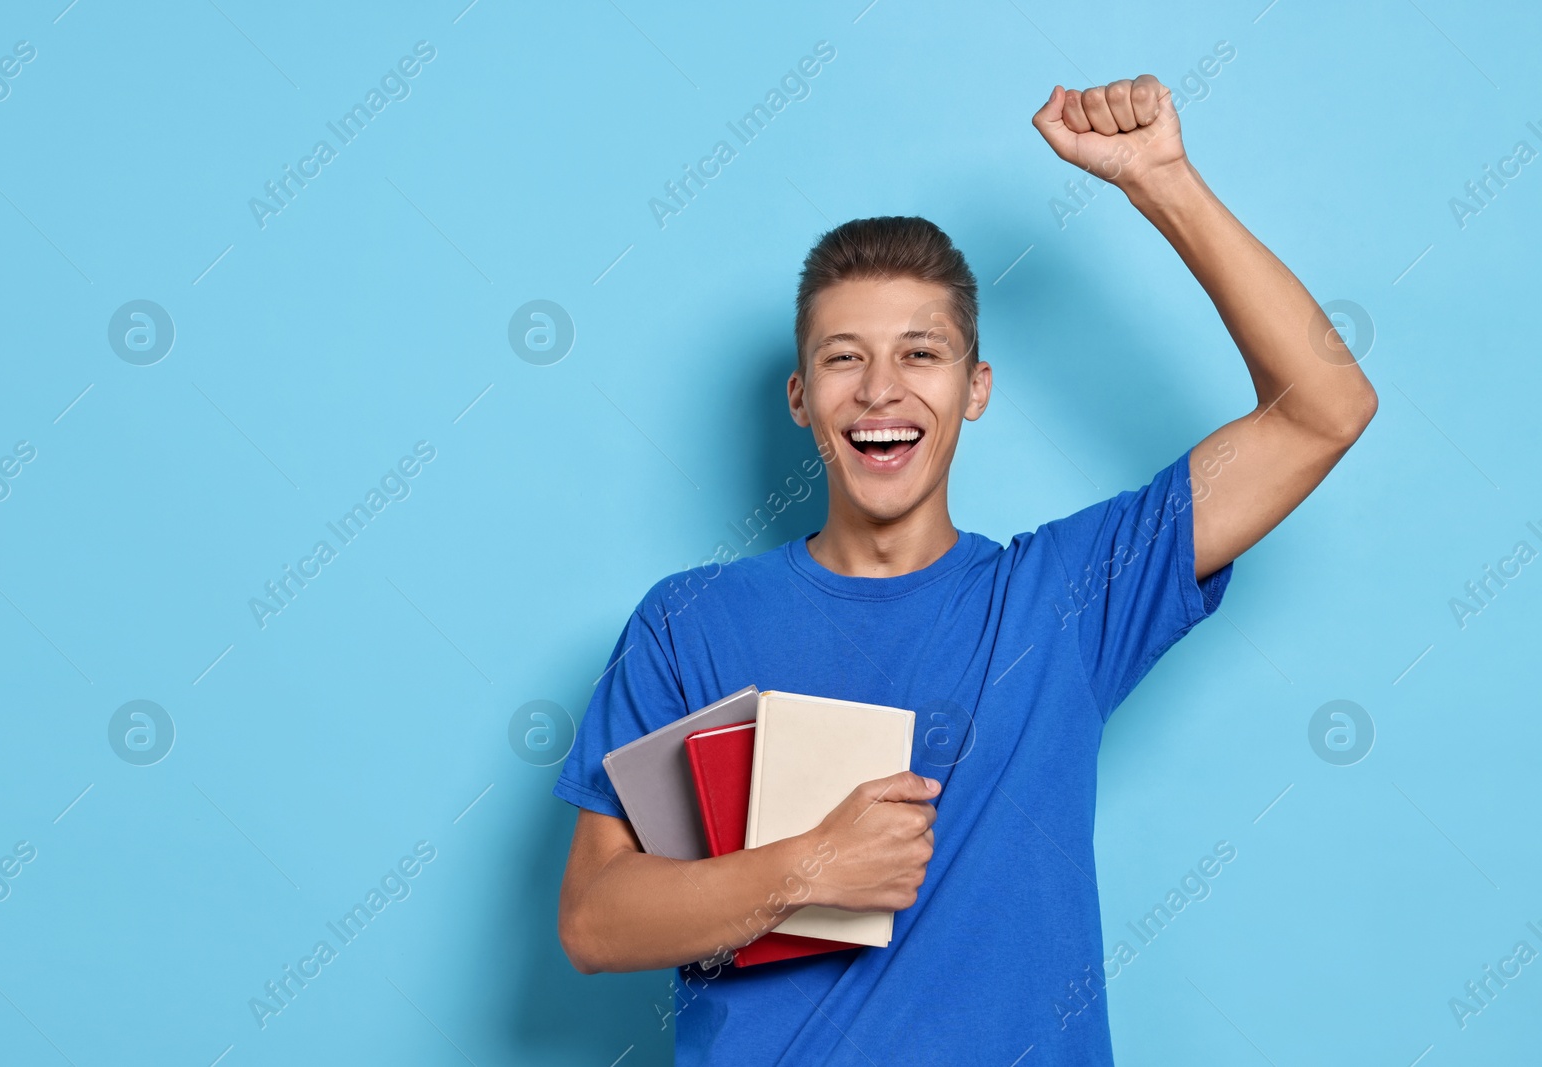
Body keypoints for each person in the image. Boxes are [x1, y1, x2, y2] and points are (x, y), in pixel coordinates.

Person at [550, 75, 1377, 1066]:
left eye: (921, 353)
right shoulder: (691, 623)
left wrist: (1161, 180)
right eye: (843, 359)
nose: (882, 389)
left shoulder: (1068, 599)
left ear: (974, 387)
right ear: (800, 397)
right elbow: (596, 920)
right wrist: (810, 863)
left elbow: (1321, 409)